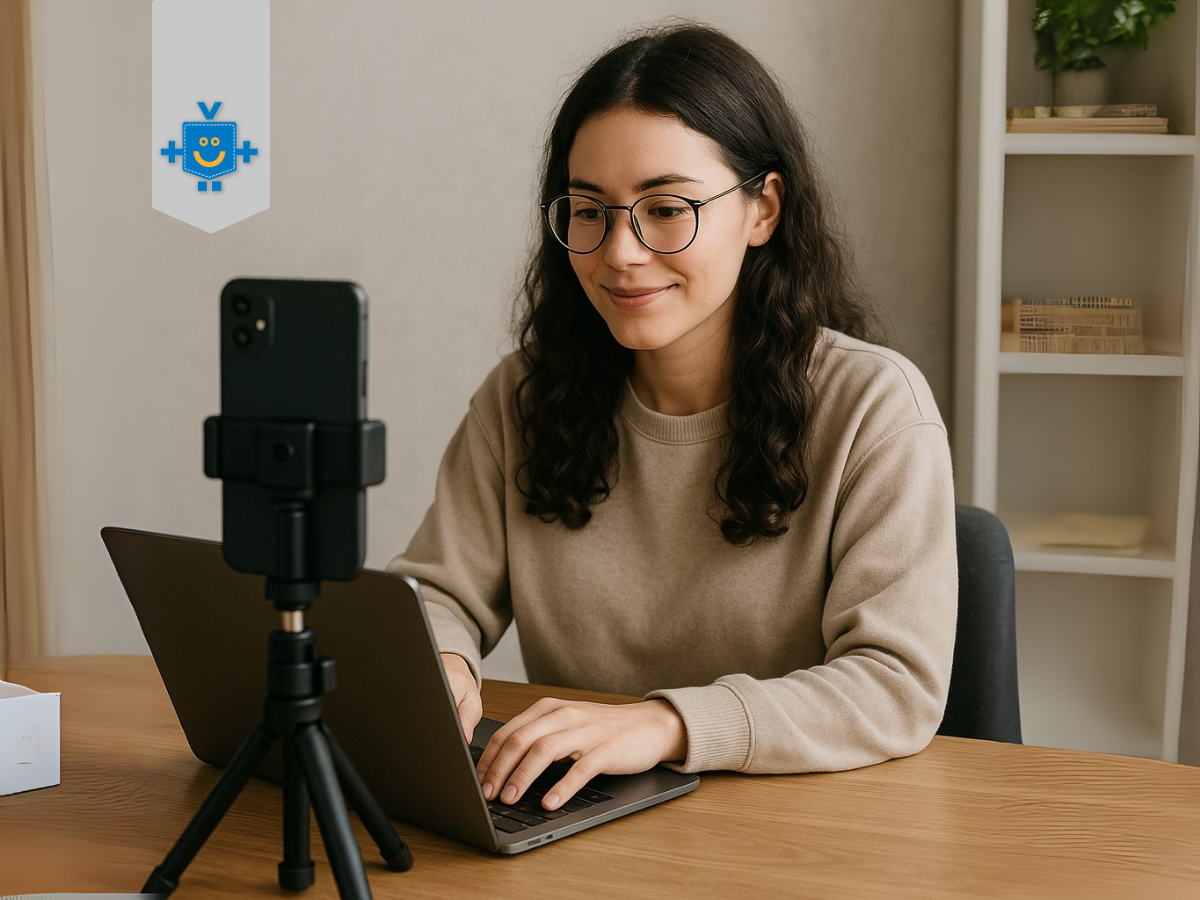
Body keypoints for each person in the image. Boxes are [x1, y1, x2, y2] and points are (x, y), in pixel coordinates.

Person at [386, 21, 957, 815]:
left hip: (802, 828)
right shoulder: (523, 397)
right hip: (573, 821)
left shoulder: (875, 408)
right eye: (589, 210)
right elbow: (434, 592)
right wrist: (442, 662)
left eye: (665, 208)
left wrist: (666, 724)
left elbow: (896, 688)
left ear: (763, 210)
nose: (619, 251)